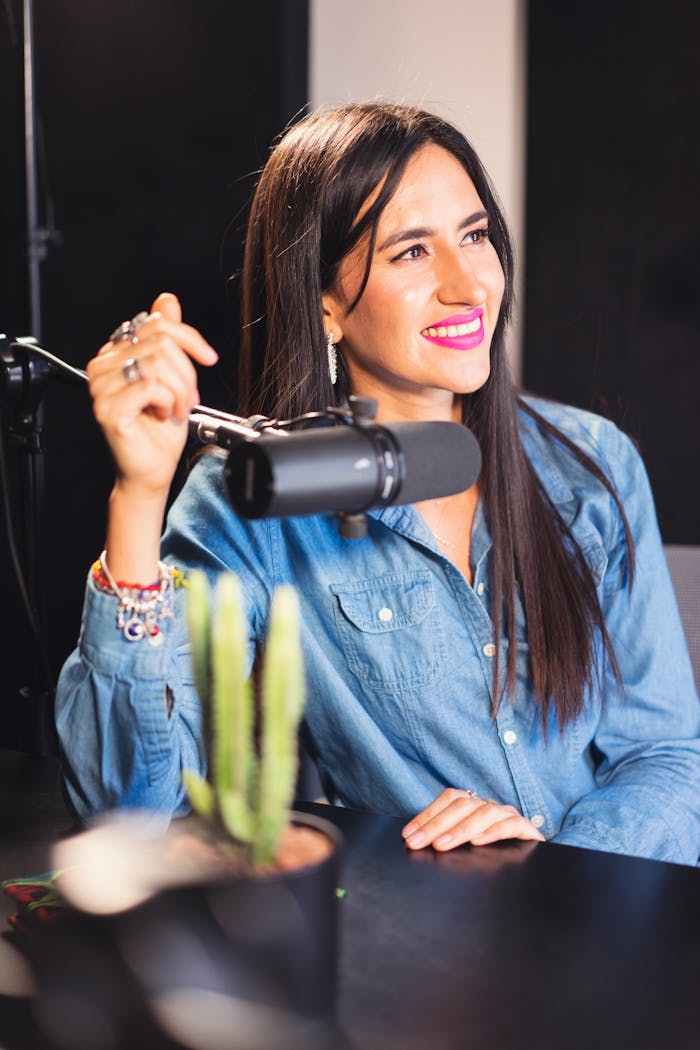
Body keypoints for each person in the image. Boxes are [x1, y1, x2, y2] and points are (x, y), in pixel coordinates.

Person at [55, 101, 700, 865]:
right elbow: (130, 808)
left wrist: (553, 860)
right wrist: (138, 492)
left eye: (474, 235)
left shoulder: (592, 465)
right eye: (411, 253)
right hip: (418, 952)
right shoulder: (254, 499)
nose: (469, 286)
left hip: (602, 929)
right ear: (325, 304)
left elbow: (668, 759)